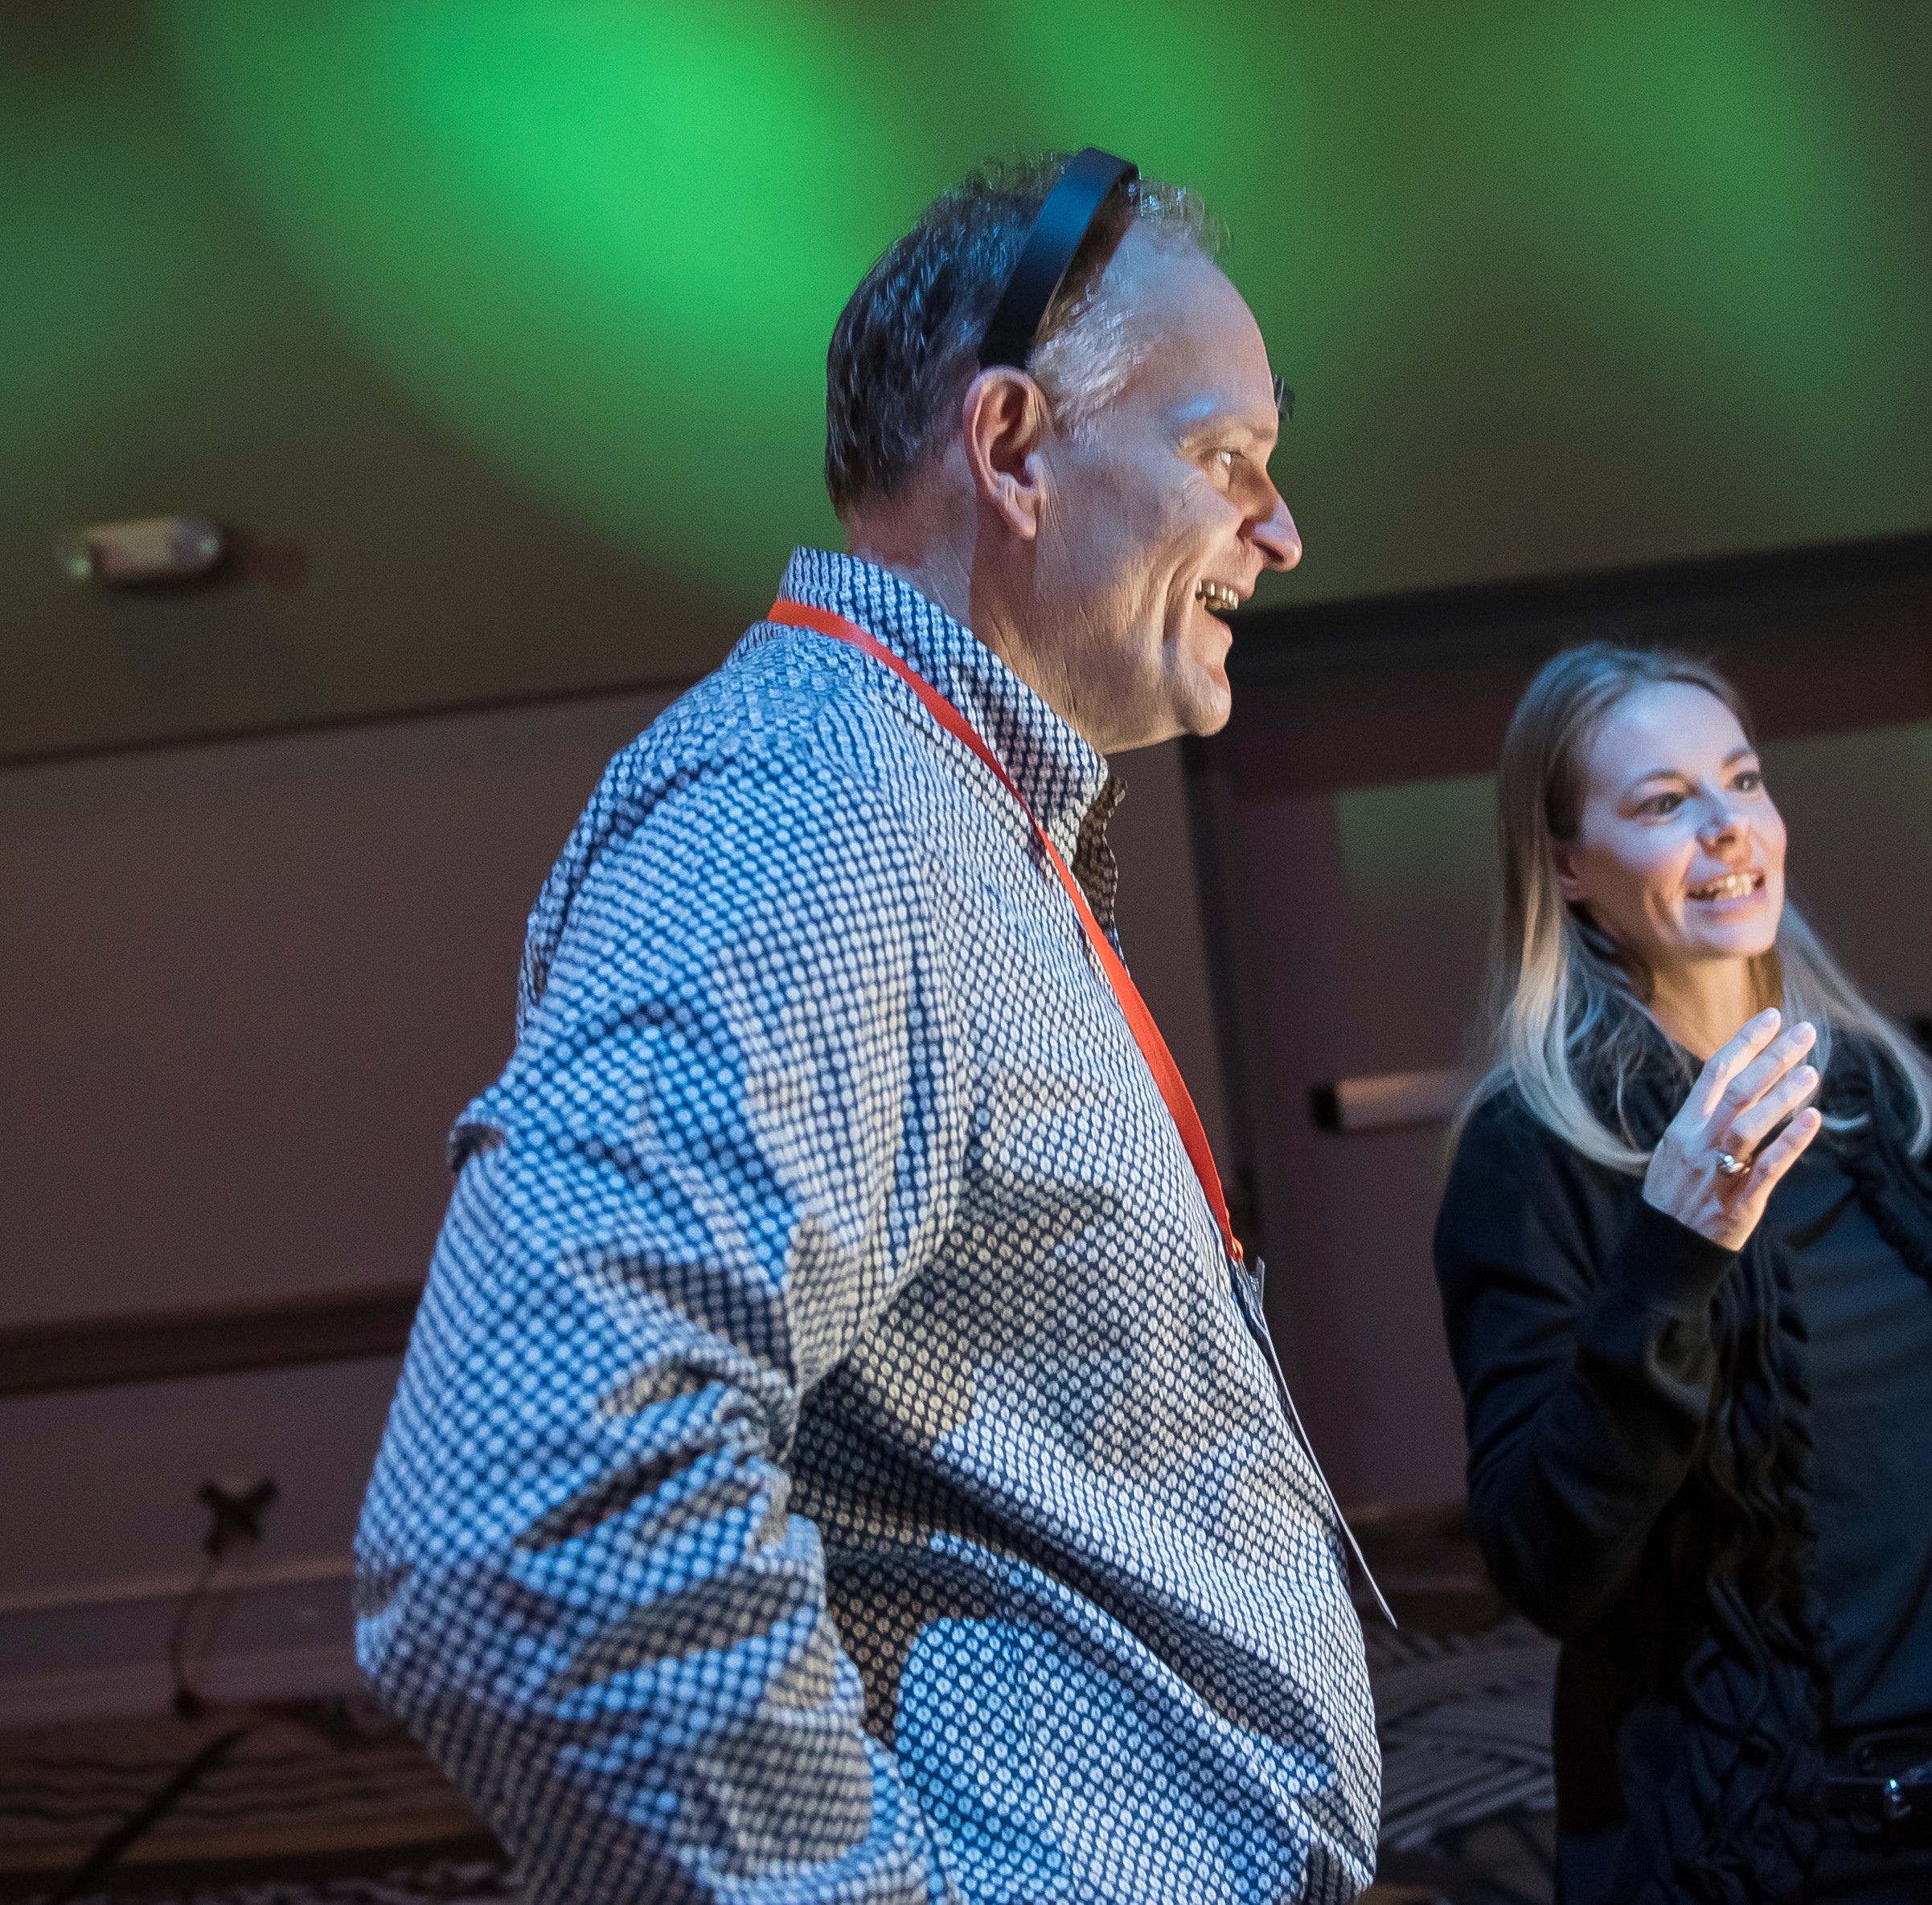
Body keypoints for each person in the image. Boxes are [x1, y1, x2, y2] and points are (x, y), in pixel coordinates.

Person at [353, 153, 1379, 1904]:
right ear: (1010, 450)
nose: (1279, 531)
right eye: (1228, 462)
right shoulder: (820, 811)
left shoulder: (942, 810)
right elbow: (531, 1514)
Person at [1434, 645, 1932, 1904]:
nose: (1727, 829)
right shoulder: (1537, 1148)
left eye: (1742, 780)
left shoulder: (1865, 1093)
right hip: (1759, 1852)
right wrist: (1674, 1249)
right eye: (1662, 804)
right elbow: (1546, 1555)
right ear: (1565, 868)